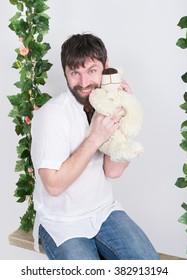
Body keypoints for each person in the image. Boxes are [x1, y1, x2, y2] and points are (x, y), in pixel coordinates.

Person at [31, 33, 159, 260]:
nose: (83, 83)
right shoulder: (52, 115)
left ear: (106, 67)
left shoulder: (104, 107)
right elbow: (53, 185)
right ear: (66, 74)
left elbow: (113, 171)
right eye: (74, 73)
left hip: (104, 212)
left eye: (91, 71)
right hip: (62, 223)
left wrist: (125, 115)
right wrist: (94, 139)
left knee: (150, 266)